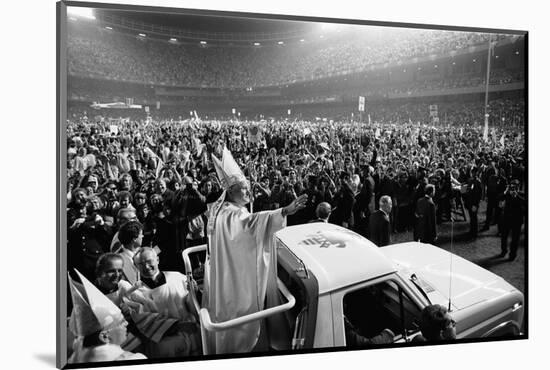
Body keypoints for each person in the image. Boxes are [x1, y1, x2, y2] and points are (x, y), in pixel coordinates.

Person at [203, 147, 307, 354]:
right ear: (231, 192)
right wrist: (285, 211)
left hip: (224, 269)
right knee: (238, 316)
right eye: (243, 189)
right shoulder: (231, 215)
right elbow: (249, 225)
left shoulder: (220, 209)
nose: (249, 192)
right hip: (235, 276)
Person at [125, 247, 201, 358]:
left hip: (191, 333)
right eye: (141, 264)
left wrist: (194, 292)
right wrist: (178, 327)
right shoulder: (136, 293)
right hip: (165, 344)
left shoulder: (178, 277)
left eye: (149, 261)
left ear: (157, 260)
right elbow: (145, 322)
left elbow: (196, 304)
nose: (146, 266)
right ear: (135, 266)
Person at [67, 269, 147, 363]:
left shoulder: (72, 361)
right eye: (121, 321)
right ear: (105, 336)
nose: (126, 323)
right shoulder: (135, 359)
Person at [499, 179, 525, 261]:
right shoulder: (507, 193)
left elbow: (525, 203)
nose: (513, 188)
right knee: (504, 236)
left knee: (515, 239)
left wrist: (516, 195)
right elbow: (499, 198)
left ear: (518, 187)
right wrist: (505, 191)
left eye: (515, 186)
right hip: (506, 218)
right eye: (512, 186)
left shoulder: (522, 194)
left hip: (517, 220)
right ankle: (503, 251)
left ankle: (512, 255)